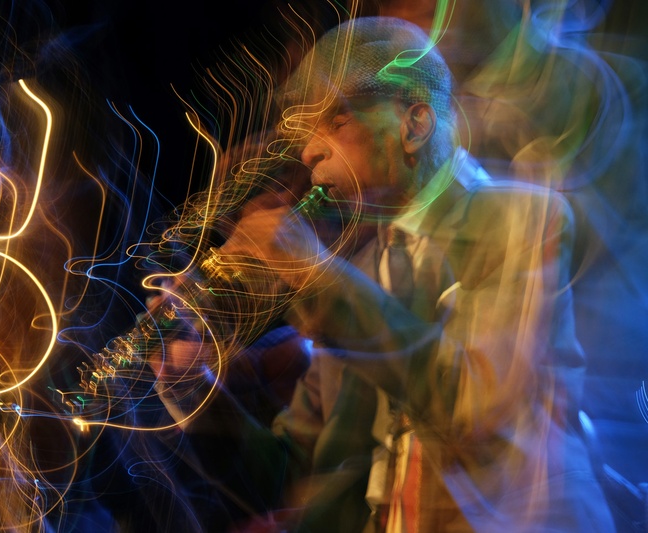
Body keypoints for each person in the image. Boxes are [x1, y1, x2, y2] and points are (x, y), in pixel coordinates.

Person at [150, 16, 616, 532]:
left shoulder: (522, 219)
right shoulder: (359, 275)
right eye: (306, 134)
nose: (309, 152)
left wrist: (311, 271)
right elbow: (296, 471)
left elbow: (472, 408)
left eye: (337, 120)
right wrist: (195, 380)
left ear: (414, 125)